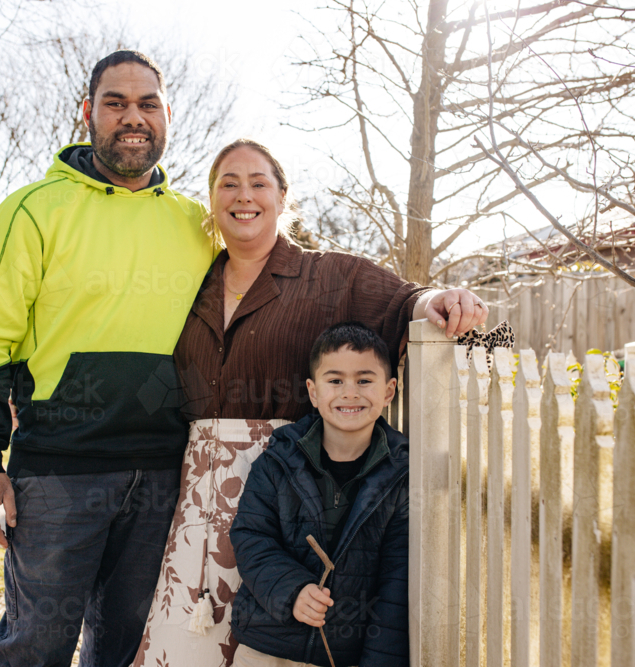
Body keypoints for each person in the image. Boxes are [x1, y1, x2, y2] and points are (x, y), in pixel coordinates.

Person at [132, 138, 487, 665]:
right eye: (228, 183)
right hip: (195, 497)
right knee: (181, 644)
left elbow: (404, 301)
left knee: (269, 643)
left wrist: (441, 300)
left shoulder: (329, 274)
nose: (243, 194)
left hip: (285, 494)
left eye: (258, 182)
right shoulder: (193, 280)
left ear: (281, 197)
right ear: (211, 201)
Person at [0, 50, 216, 667]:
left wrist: (418, 301)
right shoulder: (33, 210)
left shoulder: (198, 225)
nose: (133, 117)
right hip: (56, 476)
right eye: (116, 102)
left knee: (128, 649)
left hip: (161, 475)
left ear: (167, 115)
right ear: (88, 113)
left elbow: (290, 270)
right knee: (36, 647)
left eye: (148, 104)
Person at [230, 321, 409, 666]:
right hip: (268, 646)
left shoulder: (400, 477)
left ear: (389, 392)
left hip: (344, 654)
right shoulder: (278, 462)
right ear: (313, 392)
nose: (350, 392)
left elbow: (396, 584)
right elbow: (251, 537)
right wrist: (292, 590)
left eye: (365, 380)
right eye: (336, 380)